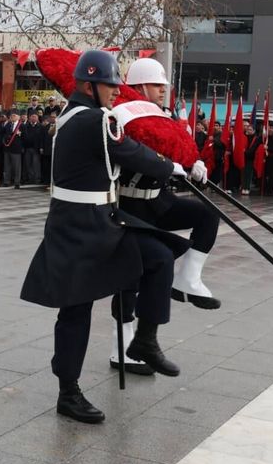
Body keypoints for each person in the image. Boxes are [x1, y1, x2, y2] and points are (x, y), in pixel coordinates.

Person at [20, 50, 189, 425]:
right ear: (87, 85)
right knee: (75, 311)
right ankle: (69, 392)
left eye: (116, 85)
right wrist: (172, 166)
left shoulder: (78, 117)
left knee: (160, 256)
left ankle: (144, 340)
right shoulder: (94, 120)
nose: (116, 92)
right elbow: (130, 151)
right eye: (110, 85)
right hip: (79, 227)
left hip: (100, 220)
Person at [109, 58, 219, 376]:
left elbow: (175, 145)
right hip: (129, 206)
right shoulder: (125, 117)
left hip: (158, 200)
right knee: (130, 279)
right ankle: (123, 346)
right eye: (158, 85)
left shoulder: (162, 117)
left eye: (163, 86)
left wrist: (193, 161)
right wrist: (171, 163)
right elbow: (137, 153)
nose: (162, 91)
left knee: (207, 215)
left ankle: (189, 278)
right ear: (141, 85)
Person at [1, 110, 24, 188]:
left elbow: (26, 137)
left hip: (16, 149)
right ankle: (6, 181)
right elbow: (2, 132)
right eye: (11, 115)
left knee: (17, 167)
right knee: (7, 166)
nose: (12, 117)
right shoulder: (8, 124)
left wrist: (20, 134)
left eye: (14, 115)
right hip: (7, 148)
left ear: (18, 117)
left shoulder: (22, 125)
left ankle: (17, 182)